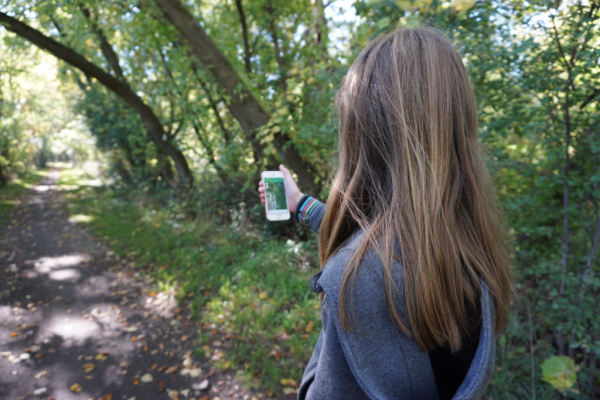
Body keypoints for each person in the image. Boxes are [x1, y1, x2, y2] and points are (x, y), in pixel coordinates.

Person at [258, 26, 511, 400]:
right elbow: (372, 238)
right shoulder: (469, 249)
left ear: (361, 136)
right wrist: (300, 204)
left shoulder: (355, 278)